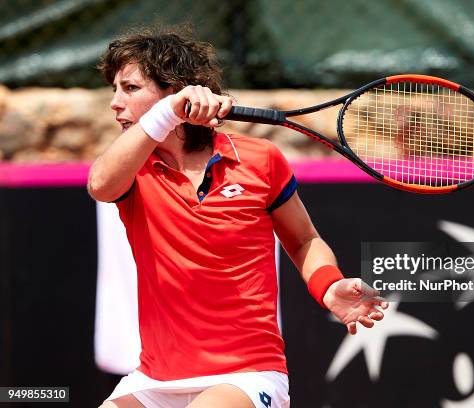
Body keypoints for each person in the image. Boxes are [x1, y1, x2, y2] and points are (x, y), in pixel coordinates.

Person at [90, 27, 388, 408]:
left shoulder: (260, 160)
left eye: (130, 88)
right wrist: (165, 114)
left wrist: (328, 286)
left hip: (246, 373)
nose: (115, 102)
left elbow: (302, 240)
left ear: (176, 88)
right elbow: (100, 185)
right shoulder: (132, 168)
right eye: (114, 89)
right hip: (155, 377)